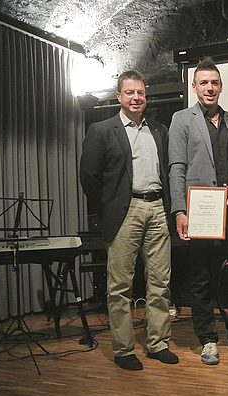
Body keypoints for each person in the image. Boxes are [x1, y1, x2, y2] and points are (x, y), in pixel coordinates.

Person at [168, 57, 228, 365]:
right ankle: (207, 338)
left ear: (221, 86)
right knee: (201, 276)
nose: (210, 87)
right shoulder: (181, 119)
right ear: (194, 86)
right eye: (204, 83)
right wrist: (179, 210)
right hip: (200, 211)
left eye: (215, 82)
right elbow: (176, 167)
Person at [80, 70, 179, 371]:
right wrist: (108, 208)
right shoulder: (102, 130)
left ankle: (157, 343)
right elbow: (89, 177)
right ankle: (124, 349)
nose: (136, 98)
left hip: (157, 208)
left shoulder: (159, 130)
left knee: (160, 283)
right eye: (130, 93)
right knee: (120, 286)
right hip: (125, 211)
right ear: (119, 96)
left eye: (141, 93)